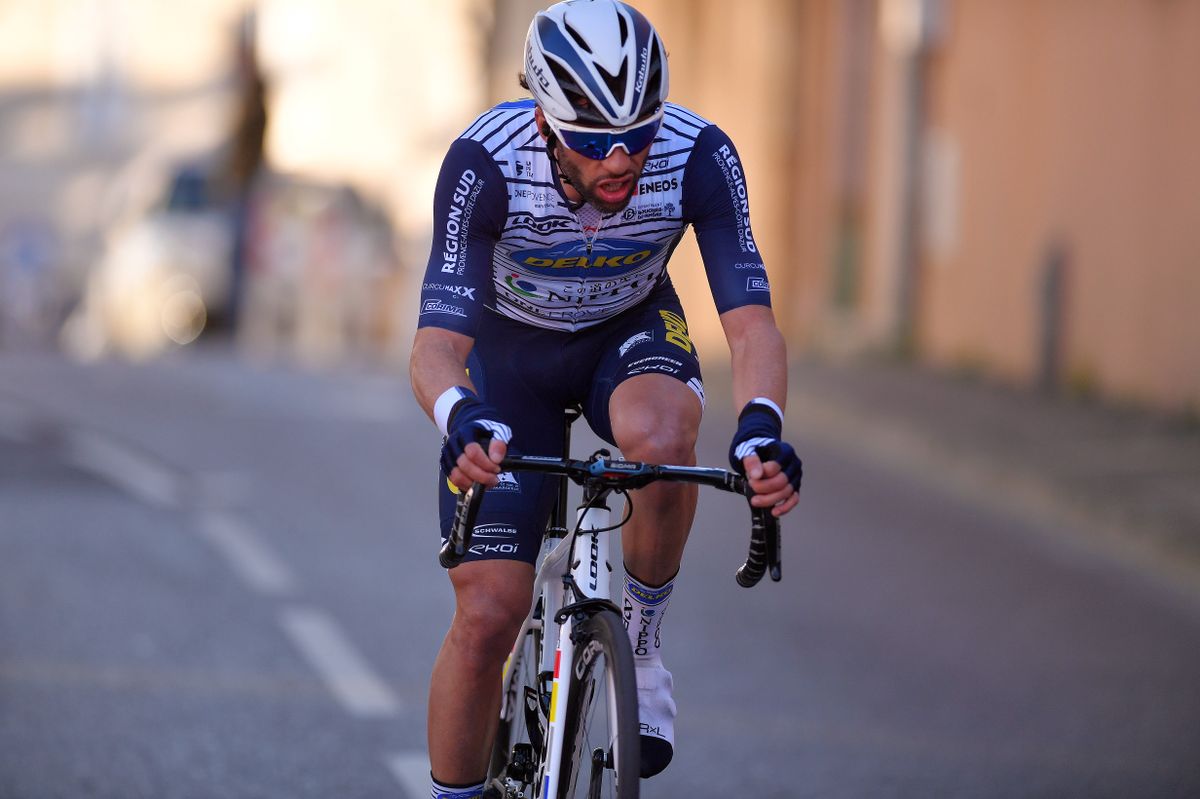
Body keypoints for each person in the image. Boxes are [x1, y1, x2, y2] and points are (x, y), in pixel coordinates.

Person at [409, 2, 802, 796]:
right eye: (595, 140)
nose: (622, 158)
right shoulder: (485, 161)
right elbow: (435, 349)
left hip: (626, 331)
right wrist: (460, 415)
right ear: (546, 122)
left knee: (660, 440)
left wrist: (763, 425)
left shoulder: (698, 153)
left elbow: (753, 326)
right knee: (489, 613)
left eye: (639, 132)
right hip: (507, 357)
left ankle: (643, 644)